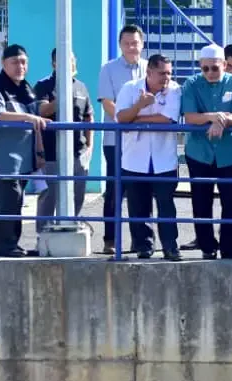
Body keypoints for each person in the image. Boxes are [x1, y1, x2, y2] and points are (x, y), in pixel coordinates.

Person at [181, 44, 232, 260]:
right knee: (201, 202)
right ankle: (207, 247)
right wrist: (216, 116)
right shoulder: (192, 83)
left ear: (224, 65)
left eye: (215, 68)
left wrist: (222, 121)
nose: (210, 73)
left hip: (228, 152)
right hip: (199, 151)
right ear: (200, 67)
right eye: (206, 69)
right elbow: (190, 116)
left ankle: (229, 247)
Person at [115, 54, 183, 261]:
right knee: (137, 206)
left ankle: (170, 247)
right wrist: (139, 106)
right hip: (135, 158)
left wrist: (135, 119)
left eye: (169, 73)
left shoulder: (175, 89)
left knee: (166, 207)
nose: (166, 77)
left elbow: (167, 119)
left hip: (164, 159)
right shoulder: (129, 88)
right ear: (149, 72)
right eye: (162, 73)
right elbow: (120, 118)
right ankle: (144, 246)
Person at [0, 44, 46, 257]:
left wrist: (39, 152)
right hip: (4, 158)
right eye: (14, 62)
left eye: (23, 62)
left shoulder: (26, 88)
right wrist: (27, 118)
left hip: (24, 158)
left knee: (17, 202)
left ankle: (14, 244)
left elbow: (36, 121)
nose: (20, 66)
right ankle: (4, 246)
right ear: (3, 63)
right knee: (7, 202)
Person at [98, 24, 149, 255]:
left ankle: (140, 240)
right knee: (114, 189)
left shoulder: (151, 68)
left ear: (142, 44)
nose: (131, 47)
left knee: (140, 191)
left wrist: (133, 116)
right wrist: (128, 117)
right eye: (127, 43)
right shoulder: (108, 69)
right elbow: (108, 103)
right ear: (120, 45)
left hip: (144, 141)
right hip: (115, 139)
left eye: (135, 42)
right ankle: (110, 238)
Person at [34, 49, 93, 235]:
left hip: (78, 152)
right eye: (65, 61)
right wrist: (62, 97)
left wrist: (90, 147)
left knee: (77, 194)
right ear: (54, 64)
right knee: (49, 196)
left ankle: (69, 228)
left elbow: (89, 116)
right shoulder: (43, 86)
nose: (71, 64)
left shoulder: (82, 87)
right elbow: (42, 111)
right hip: (51, 152)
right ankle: (43, 237)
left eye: (72, 60)